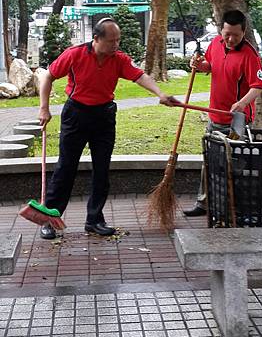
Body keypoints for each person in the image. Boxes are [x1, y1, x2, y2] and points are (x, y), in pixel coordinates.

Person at [39, 17, 178, 239]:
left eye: (118, 40)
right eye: (112, 41)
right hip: (75, 115)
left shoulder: (119, 59)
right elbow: (48, 76)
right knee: (66, 168)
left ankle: (94, 220)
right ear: (96, 39)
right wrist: (44, 108)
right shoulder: (74, 54)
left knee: (102, 170)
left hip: (103, 117)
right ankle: (50, 220)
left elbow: (140, 76)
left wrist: (160, 94)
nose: (116, 45)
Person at [184, 9, 262, 217]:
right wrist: (198, 64)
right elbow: (210, 66)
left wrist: (241, 103)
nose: (230, 39)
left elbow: (258, 86)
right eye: (227, 34)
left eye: (236, 36)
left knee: (234, 165)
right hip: (215, 115)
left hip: (237, 121)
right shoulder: (215, 44)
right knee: (208, 160)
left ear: (244, 32)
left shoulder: (250, 54)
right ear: (221, 29)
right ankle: (203, 204)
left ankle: (231, 207)